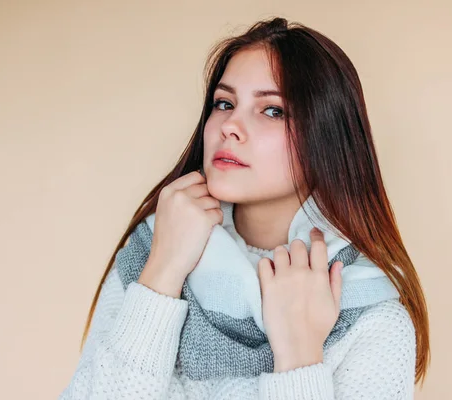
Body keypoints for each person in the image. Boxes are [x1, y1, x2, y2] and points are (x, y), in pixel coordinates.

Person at [59, 16, 430, 399]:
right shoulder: (153, 249)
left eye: (272, 110)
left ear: (328, 137)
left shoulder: (368, 312)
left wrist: (299, 357)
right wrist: (162, 274)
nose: (230, 126)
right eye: (224, 103)